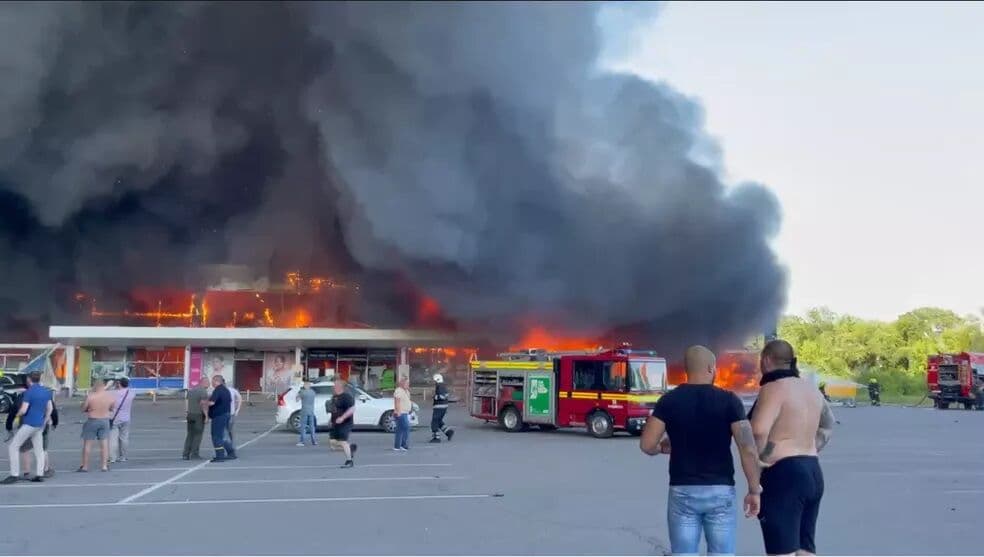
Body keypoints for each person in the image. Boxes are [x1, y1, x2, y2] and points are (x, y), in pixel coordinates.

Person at [640, 345, 761, 556]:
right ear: (710, 368)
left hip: (683, 490)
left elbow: (647, 444)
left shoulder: (669, 401)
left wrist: (662, 447)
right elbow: (747, 448)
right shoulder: (729, 401)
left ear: (687, 370)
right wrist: (753, 489)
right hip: (721, 490)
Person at [749, 340, 834, 556]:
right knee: (805, 548)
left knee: (781, 550)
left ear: (766, 360)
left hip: (784, 474)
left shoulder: (773, 388)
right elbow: (828, 424)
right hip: (813, 470)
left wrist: (761, 460)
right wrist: (810, 446)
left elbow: (758, 430)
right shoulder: (811, 389)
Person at [2, 374, 55, 483]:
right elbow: (50, 408)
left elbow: (24, 410)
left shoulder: (28, 392)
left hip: (29, 423)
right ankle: (39, 474)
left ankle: (14, 474)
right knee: (39, 450)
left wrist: (17, 415)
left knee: (13, 447)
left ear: (29, 380)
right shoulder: (47, 392)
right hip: (39, 425)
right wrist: (44, 421)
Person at [79, 378, 116, 472]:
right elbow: (112, 408)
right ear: (104, 386)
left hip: (92, 420)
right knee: (104, 444)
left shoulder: (91, 396)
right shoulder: (110, 396)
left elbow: (83, 409)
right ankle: (104, 466)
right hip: (105, 420)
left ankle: (85, 466)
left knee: (87, 444)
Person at [205, 374, 237, 462]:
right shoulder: (226, 390)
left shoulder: (218, 390)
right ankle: (231, 453)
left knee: (216, 436)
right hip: (226, 414)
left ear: (216, 381)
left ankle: (220, 456)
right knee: (224, 435)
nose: (211, 383)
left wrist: (204, 403)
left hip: (218, 416)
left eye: (212, 381)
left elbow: (212, 402)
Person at [328, 380, 357, 468]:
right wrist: (330, 420)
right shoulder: (334, 397)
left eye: (336, 385)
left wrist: (342, 417)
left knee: (342, 441)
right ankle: (350, 449)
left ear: (341, 387)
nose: (334, 387)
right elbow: (334, 410)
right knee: (332, 444)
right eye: (334, 385)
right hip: (335, 423)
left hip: (345, 423)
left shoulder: (347, 397)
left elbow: (352, 409)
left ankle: (349, 461)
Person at [110, 377, 134, 463]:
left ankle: (112, 457)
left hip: (114, 418)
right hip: (126, 418)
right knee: (124, 438)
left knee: (113, 438)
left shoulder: (113, 393)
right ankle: (123, 457)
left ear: (119, 384)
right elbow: (129, 388)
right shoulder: (131, 393)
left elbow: (104, 393)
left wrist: (111, 385)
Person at [183, 382, 209, 460]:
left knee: (190, 434)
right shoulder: (203, 392)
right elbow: (203, 404)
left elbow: (186, 402)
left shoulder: (191, 391)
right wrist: (206, 416)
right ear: (204, 382)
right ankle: (194, 454)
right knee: (198, 435)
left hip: (190, 414)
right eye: (208, 383)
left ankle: (185, 453)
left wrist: (187, 412)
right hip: (198, 415)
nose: (209, 385)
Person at [429, 373, 455, 443]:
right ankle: (449, 432)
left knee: (434, 422)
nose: (434, 382)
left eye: (434, 380)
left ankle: (436, 438)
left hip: (439, 406)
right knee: (439, 421)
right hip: (443, 406)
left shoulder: (440, 386)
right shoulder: (443, 385)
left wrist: (434, 397)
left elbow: (442, 396)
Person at [296, 380, 318, 446]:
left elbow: (297, 399)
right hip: (311, 411)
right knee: (312, 426)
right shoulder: (313, 392)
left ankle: (302, 441)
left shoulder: (302, 392)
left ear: (305, 385)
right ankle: (314, 441)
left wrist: (298, 394)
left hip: (304, 411)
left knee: (303, 426)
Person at [393, 376, 412, 451]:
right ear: (402, 383)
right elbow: (397, 402)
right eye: (407, 383)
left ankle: (397, 446)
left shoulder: (406, 391)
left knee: (399, 430)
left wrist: (410, 408)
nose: (408, 384)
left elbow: (407, 401)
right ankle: (403, 445)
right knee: (406, 428)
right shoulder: (399, 391)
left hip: (405, 412)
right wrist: (398, 412)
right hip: (401, 413)